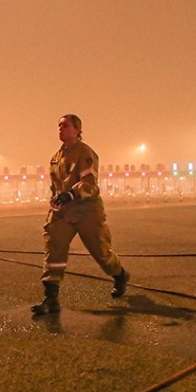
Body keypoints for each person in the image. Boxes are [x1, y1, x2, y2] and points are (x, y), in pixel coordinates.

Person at [31, 114, 129, 316]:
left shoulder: (85, 153)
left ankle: (119, 275)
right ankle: (51, 298)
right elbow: (55, 186)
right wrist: (57, 200)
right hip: (63, 213)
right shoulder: (55, 158)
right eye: (59, 125)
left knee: (101, 253)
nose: (61, 128)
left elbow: (90, 184)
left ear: (77, 130)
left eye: (66, 125)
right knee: (54, 251)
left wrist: (71, 194)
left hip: (86, 211)